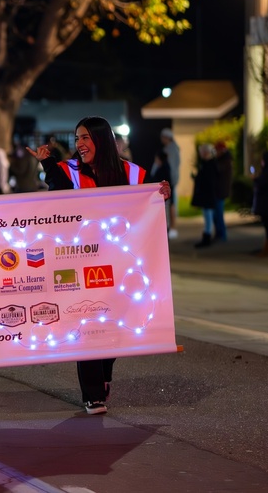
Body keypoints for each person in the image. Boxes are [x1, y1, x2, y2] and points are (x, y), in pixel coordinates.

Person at [28, 116, 170, 415]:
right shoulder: (69, 172)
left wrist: (161, 194)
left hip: (120, 266)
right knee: (89, 324)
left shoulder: (132, 173)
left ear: (101, 140)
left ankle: (104, 374)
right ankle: (93, 395)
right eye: (77, 138)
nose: (79, 144)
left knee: (116, 325)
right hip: (81, 265)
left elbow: (148, 203)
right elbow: (60, 200)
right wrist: (48, 164)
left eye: (85, 138)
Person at [191, 144, 220, 249]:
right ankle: (206, 237)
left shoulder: (209, 165)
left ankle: (207, 238)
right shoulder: (208, 164)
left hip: (208, 195)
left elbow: (209, 181)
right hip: (208, 195)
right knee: (207, 217)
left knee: (208, 217)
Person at [160, 128, 181, 239]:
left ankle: (173, 227)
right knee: (171, 204)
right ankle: (172, 227)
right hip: (172, 179)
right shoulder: (172, 148)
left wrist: (171, 180)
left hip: (171, 180)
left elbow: (172, 167)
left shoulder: (171, 150)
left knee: (171, 204)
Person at [147, 149, 173, 235]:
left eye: (156, 158)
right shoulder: (162, 168)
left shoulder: (163, 169)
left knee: (165, 217)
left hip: (163, 196)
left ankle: (166, 233)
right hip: (163, 196)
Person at [212, 140, 232, 243]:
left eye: (216, 150)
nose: (215, 152)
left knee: (218, 214)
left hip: (220, 191)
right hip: (218, 190)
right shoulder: (222, 159)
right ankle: (219, 234)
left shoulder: (225, 160)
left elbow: (218, 170)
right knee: (216, 215)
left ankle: (222, 235)